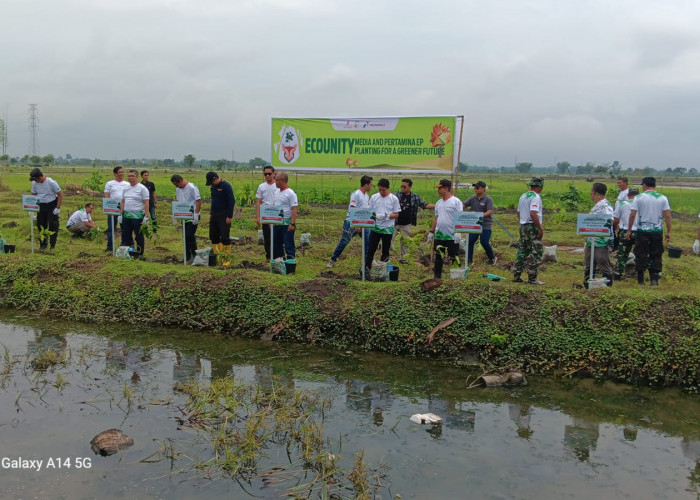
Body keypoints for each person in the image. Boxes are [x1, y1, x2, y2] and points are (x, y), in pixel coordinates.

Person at [626, 177, 671, 286]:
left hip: (642, 231)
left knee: (641, 253)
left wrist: (629, 230)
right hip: (657, 231)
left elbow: (632, 215)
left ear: (645, 185)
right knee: (656, 253)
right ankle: (654, 279)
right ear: (654, 185)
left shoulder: (639, 197)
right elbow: (668, 216)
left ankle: (641, 280)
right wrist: (669, 231)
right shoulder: (662, 198)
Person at [328, 175, 373, 268]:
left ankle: (366, 264)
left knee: (368, 243)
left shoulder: (366, 196)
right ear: (366, 184)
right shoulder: (356, 194)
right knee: (344, 241)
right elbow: (353, 208)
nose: (371, 186)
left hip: (364, 223)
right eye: (371, 184)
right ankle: (333, 259)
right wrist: (356, 225)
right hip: (351, 222)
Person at [392, 178, 434, 264]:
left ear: (410, 187)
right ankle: (386, 257)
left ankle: (404, 260)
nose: (402, 188)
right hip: (394, 222)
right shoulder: (396, 195)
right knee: (389, 239)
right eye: (401, 186)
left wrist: (437, 205)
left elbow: (424, 205)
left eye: (404, 187)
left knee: (405, 242)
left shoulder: (415, 197)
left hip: (406, 223)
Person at [428, 179, 462, 279]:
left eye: (440, 188)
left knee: (454, 256)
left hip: (452, 235)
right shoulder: (439, 203)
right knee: (438, 256)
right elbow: (436, 218)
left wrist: (458, 232)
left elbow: (459, 217)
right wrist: (431, 231)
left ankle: (456, 277)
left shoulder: (456, 202)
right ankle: (437, 277)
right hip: (439, 235)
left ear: (446, 188)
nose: (438, 190)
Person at [514, 178, 545, 285]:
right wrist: (540, 228)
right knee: (536, 251)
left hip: (523, 226)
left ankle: (516, 275)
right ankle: (532, 278)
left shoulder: (523, 196)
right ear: (540, 187)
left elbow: (518, 212)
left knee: (522, 250)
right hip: (532, 226)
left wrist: (522, 222)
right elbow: (533, 213)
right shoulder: (536, 197)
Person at [584, 182, 615, 286]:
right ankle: (588, 284)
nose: (590, 195)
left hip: (601, 241)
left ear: (595, 193)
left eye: (591, 192)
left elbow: (610, 220)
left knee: (602, 261)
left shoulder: (605, 206)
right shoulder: (597, 206)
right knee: (589, 263)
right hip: (591, 240)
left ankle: (608, 285)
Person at [365, 178, 400, 270]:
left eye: (383, 190)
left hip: (387, 228)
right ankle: (367, 268)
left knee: (385, 251)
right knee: (371, 249)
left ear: (388, 188)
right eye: (379, 189)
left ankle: (383, 270)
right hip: (375, 227)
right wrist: (375, 215)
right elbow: (369, 211)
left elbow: (396, 214)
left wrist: (387, 216)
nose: (381, 192)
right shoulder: (374, 197)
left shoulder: (393, 199)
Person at [463, 181, 496, 266]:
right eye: (475, 188)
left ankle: (492, 258)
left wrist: (479, 216)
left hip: (485, 225)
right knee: (470, 241)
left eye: (477, 188)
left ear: (483, 189)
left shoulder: (488, 199)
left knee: (484, 242)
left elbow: (489, 211)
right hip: (474, 225)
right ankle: (469, 260)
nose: (475, 189)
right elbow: (464, 205)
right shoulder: (472, 199)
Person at [29, 168, 62, 251]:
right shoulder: (34, 183)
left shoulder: (51, 182)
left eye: (36, 179)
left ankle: (52, 246)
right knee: (41, 225)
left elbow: (60, 195)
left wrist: (57, 208)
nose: (35, 181)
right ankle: (43, 245)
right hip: (41, 206)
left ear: (39, 177)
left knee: (53, 225)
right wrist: (31, 208)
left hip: (51, 205)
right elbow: (33, 194)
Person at [171, 174, 202, 263]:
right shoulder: (178, 189)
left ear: (181, 181)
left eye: (177, 185)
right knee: (185, 236)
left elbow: (198, 201)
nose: (177, 187)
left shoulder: (192, 187)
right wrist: (175, 215)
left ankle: (194, 255)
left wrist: (196, 214)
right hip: (183, 215)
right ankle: (186, 256)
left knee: (189, 235)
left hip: (192, 215)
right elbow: (178, 201)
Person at [119, 169, 150, 256]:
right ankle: (128, 252)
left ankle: (140, 253)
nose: (130, 177)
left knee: (139, 236)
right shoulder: (125, 188)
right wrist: (121, 214)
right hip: (126, 216)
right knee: (126, 235)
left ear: (136, 177)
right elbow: (123, 201)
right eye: (129, 176)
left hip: (138, 217)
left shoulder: (142, 189)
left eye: (132, 176)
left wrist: (146, 216)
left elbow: (146, 203)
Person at [206, 171, 235, 257]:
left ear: (216, 178)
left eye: (212, 182)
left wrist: (229, 216)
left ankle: (226, 258)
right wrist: (211, 214)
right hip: (214, 213)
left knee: (224, 236)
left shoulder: (226, 186)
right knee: (213, 236)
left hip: (224, 214)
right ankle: (217, 255)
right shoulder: (213, 187)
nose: (212, 184)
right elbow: (213, 201)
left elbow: (231, 201)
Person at [613, 188, 639, 278]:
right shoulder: (641, 204)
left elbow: (616, 219)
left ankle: (618, 273)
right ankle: (639, 273)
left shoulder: (621, 204)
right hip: (638, 232)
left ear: (628, 195)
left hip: (624, 231)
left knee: (622, 253)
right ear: (638, 195)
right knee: (641, 252)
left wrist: (616, 226)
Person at [272, 171, 298, 260]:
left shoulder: (290, 193)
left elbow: (294, 208)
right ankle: (280, 262)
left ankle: (290, 262)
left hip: (287, 223)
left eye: (277, 180)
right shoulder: (276, 192)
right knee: (276, 244)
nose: (275, 182)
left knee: (288, 244)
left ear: (283, 181)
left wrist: (292, 223)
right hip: (277, 223)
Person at [255, 165, 279, 261]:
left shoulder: (278, 185)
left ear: (274, 174)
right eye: (265, 174)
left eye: (269, 173)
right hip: (266, 213)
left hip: (276, 212)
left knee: (277, 236)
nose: (268, 176)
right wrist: (258, 217)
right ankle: (268, 256)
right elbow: (259, 202)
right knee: (267, 236)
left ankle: (278, 256)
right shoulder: (261, 186)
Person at [104, 166, 129, 252]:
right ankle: (110, 247)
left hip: (124, 209)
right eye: (120, 172)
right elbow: (107, 195)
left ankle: (123, 246)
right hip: (113, 209)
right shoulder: (110, 183)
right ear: (115, 174)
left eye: (123, 172)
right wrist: (108, 207)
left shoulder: (127, 184)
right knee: (111, 228)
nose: (122, 174)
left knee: (124, 228)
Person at [612, 177, 630, 251]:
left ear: (625, 183)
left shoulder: (627, 193)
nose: (618, 184)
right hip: (617, 216)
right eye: (618, 183)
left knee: (619, 232)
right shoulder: (622, 192)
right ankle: (615, 247)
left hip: (622, 218)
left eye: (620, 183)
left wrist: (618, 220)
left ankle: (618, 248)